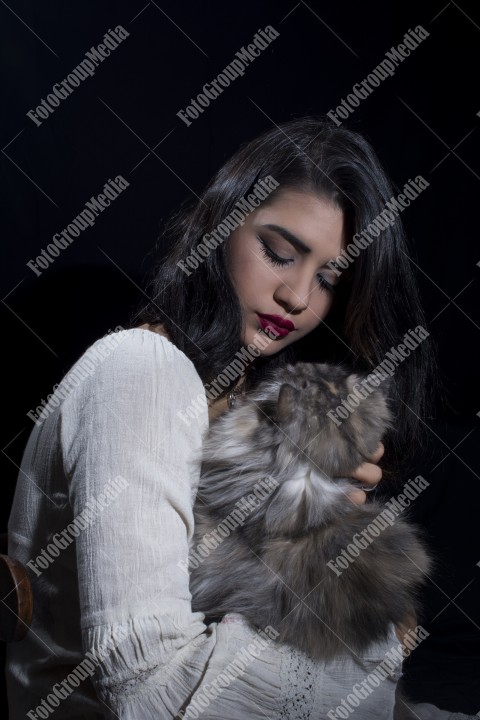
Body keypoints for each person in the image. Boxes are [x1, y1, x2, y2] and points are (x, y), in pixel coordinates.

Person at [6, 116, 434, 719]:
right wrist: (372, 644)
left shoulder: (243, 404)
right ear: (221, 223)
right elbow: (148, 687)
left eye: (330, 279)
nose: (299, 298)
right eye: (280, 253)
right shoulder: (144, 372)